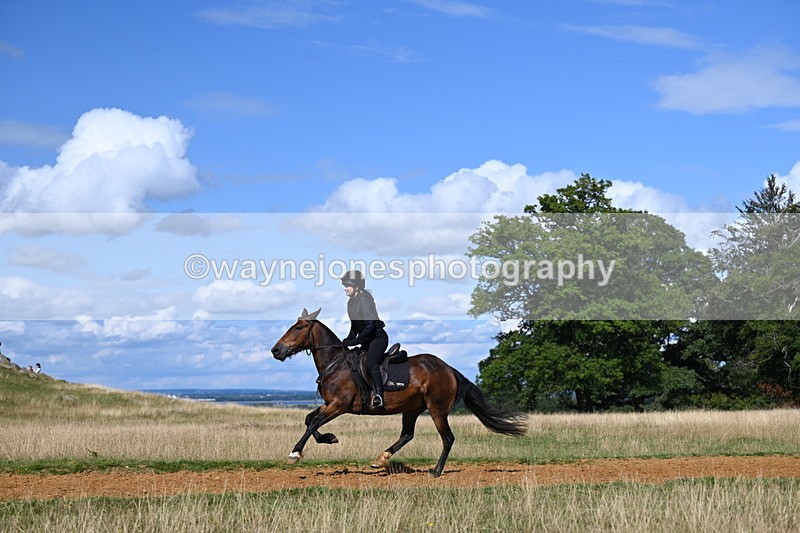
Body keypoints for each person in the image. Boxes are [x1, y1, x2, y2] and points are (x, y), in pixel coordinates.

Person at [340, 270, 388, 408]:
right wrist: (347, 340)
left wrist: (355, 341)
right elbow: (355, 325)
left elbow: (370, 325)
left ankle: (379, 396)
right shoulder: (351, 302)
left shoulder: (363, 300)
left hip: (377, 338)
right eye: (345, 285)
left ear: (357, 286)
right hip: (367, 339)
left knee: (371, 362)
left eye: (347, 285)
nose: (345, 288)